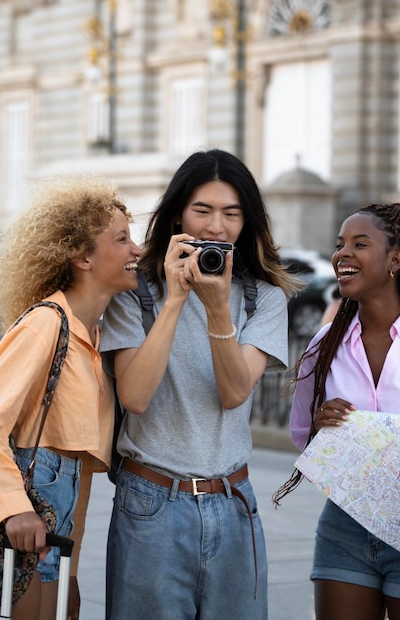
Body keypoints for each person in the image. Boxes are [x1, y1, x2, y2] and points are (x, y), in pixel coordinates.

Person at [99, 148, 300, 620]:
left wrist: (216, 308)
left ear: (246, 221)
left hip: (234, 505)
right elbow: (135, 396)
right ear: (177, 216)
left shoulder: (264, 298)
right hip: (151, 504)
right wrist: (173, 300)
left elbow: (234, 393)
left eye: (231, 213)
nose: (216, 227)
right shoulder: (137, 292)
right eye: (203, 210)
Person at [0, 173, 142, 620]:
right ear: (82, 255)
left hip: (55, 526)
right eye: (121, 239)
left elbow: (75, 465)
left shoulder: (91, 334)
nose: (136, 250)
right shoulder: (46, 323)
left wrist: (72, 572)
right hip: (24, 523)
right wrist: (15, 510)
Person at [274, 203, 400, 620]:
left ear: (395, 259)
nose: (342, 254)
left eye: (360, 244)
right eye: (340, 244)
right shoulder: (326, 343)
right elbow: (302, 433)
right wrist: (323, 427)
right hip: (345, 526)